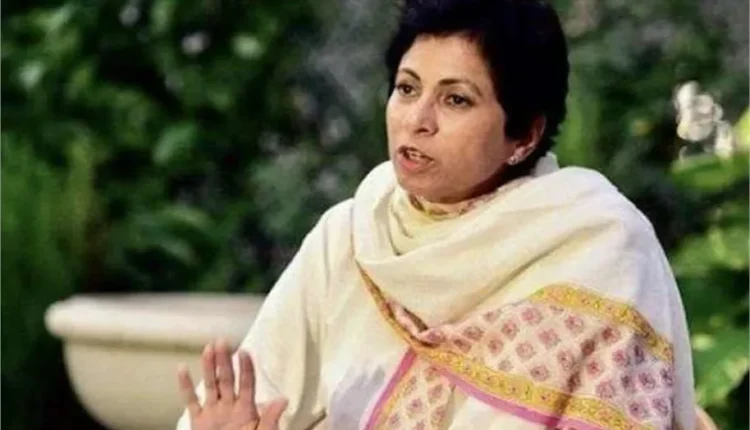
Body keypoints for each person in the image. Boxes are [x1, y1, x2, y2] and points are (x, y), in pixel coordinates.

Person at [176, 0, 697, 428]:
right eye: (407, 89)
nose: (417, 120)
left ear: (524, 135)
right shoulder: (351, 238)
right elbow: (256, 401)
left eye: (456, 101)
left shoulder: (598, 249)